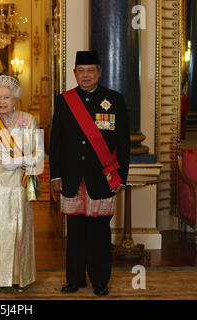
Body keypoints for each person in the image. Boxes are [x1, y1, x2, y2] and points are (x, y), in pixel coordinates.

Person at [49, 51, 130, 296]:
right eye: (80, 71)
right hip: (72, 177)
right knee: (74, 233)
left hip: (102, 177)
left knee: (99, 234)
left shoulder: (114, 100)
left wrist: (121, 177)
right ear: (74, 73)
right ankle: (74, 280)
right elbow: (56, 141)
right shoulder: (64, 100)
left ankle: (100, 281)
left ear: (99, 72)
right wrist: (55, 175)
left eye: (90, 70)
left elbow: (123, 142)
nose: (85, 75)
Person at [0, 75, 44, 291]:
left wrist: (20, 160)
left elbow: (39, 154)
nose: (2, 101)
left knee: (18, 232)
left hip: (17, 186)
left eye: (7, 97)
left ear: (16, 98)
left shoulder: (28, 120)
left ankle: (18, 277)